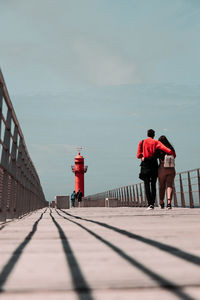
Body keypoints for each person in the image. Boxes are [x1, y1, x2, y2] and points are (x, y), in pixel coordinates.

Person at [137, 129, 176, 210]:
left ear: (147, 134)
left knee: (147, 184)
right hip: (154, 165)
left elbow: (138, 155)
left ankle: (150, 204)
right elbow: (168, 150)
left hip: (145, 165)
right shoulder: (156, 142)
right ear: (154, 135)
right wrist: (171, 153)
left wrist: (143, 157)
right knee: (153, 184)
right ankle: (154, 204)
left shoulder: (142, 142)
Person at [157, 136, 176, 209]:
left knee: (162, 186)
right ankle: (169, 203)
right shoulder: (171, 148)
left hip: (162, 168)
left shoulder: (159, 148)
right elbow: (174, 156)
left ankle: (161, 201)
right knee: (169, 185)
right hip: (171, 168)